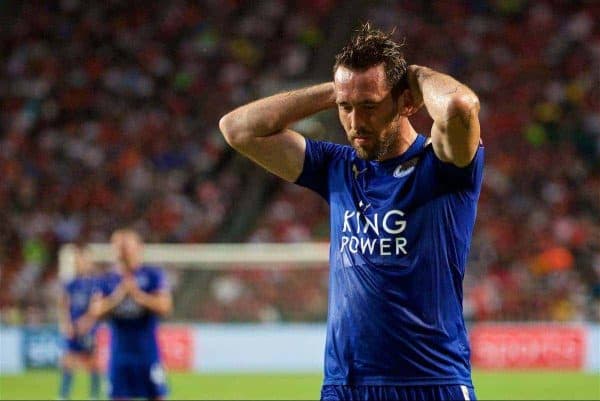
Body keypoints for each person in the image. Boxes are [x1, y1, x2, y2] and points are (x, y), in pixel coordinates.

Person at [219, 23, 483, 401]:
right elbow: (237, 129)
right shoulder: (337, 166)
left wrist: (419, 77)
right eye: (346, 108)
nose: (355, 123)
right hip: (345, 386)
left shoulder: (441, 167)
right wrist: (339, 90)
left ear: (406, 102)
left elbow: (459, 107)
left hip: (430, 383)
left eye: (370, 106)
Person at [89, 229, 172, 400]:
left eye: (126, 245)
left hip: (148, 352)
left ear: (139, 248)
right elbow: (95, 311)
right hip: (120, 354)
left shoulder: (153, 275)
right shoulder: (106, 279)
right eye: (118, 246)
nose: (122, 250)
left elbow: (165, 307)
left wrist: (137, 295)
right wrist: (118, 296)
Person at [57, 245, 102, 400]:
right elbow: (64, 305)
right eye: (78, 260)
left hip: (89, 328)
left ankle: (95, 395)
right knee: (68, 361)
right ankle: (63, 395)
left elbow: (98, 305)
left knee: (93, 362)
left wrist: (88, 321)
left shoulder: (95, 283)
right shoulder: (70, 283)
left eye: (83, 260)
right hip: (73, 328)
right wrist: (66, 323)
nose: (80, 263)